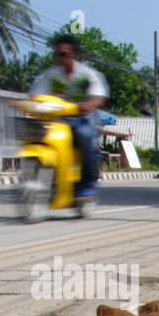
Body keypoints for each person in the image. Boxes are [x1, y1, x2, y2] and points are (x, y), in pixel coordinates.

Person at [29, 33, 107, 202]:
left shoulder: (86, 74)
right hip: (57, 120)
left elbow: (98, 96)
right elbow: (35, 94)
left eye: (63, 54)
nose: (60, 58)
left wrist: (88, 104)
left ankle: (86, 185)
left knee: (85, 136)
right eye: (57, 54)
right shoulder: (51, 75)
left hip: (81, 119)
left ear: (74, 55)